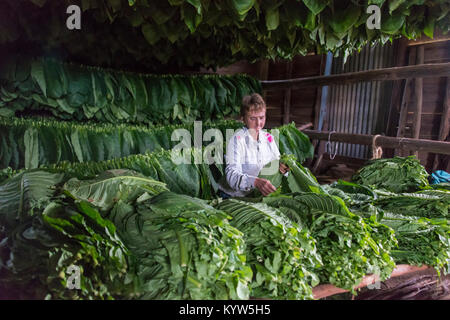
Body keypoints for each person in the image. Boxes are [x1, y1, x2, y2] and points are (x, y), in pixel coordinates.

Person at [218, 93, 288, 198]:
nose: (258, 123)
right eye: (252, 118)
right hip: (234, 196)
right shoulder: (236, 140)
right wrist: (255, 182)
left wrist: (282, 167)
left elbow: (276, 161)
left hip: (256, 195)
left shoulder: (269, 138)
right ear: (243, 119)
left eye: (261, 117)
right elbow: (232, 176)